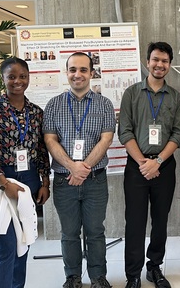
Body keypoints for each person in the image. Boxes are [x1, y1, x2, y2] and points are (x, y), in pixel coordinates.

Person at [0, 57, 50, 288]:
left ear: (29, 78)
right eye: (12, 77)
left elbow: (40, 150)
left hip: (28, 179)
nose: (18, 81)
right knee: (5, 245)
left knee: (23, 242)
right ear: (3, 79)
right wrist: (4, 184)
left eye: (22, 76)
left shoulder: (36, 112)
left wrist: (45, 182)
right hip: (0, 180)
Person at [43, 52, 116, 288]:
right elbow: (50, 140)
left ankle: (98, 277)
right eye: (73, 69)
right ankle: (72, 277)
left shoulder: (104, 104)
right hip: (65, 181)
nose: (78, 74)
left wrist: (82, 169)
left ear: (91, 73)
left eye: (83, 70)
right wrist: (72, 167)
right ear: (66, 73)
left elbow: (106, 139)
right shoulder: (53, 104)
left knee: (95, 231)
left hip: (95, 180)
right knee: (70, 232)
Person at [118, 42, 180, 288]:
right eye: (155, 59)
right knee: (134, 222)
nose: (160, 64)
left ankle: (154, 267)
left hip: (164, 166)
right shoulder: (132, 93)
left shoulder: (176, 97)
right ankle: (133, 275)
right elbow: (124, 131)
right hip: (137, 165)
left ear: (170, 65)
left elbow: (178, 135)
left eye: (165, 61)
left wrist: (157, 162)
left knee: (160, 220)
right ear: (147, 62)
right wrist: (143, 163)